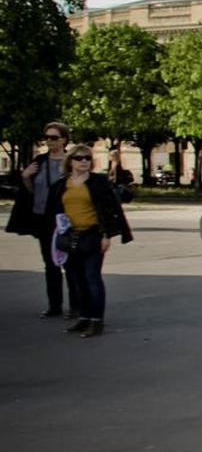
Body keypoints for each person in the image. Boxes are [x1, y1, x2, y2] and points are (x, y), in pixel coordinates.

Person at [47, 144, 133, 338]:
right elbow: (54, 211)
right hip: (70, 236)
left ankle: (96, 320)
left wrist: (106, 236)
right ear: (70, 161)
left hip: (92, 235)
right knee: (77, 280)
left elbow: (109, 210)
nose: (84, 161)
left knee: (92, 277)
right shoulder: (62, 184)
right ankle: (84, 316)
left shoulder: (98, 182)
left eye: (87, 158)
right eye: (79, 158)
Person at [6, 122, 79, 319]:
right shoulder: (40, 160)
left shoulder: (72, 161)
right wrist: (26, 177)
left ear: (64, 140)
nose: (49, 141)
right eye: (47, 137)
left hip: (65, 220)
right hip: (43, 219)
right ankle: (54, 305)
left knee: (70, 263)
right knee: (50, 263)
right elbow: (32, 192)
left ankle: (76, 306)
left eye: (54, 137)